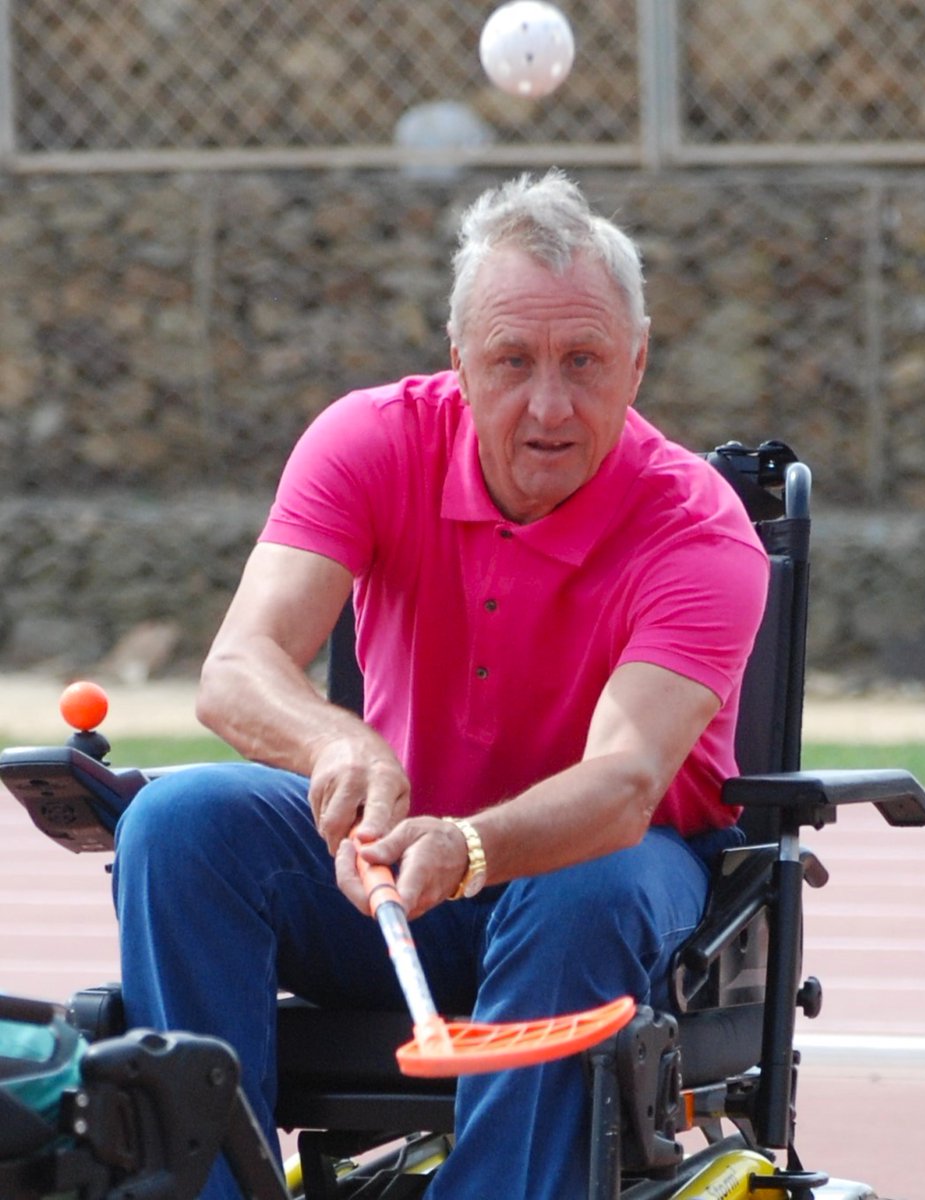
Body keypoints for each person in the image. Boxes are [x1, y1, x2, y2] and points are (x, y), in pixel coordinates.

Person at [112, 170, 770, 1200]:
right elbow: (236, 670)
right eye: (511, 361)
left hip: (595, 879)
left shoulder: (697, 529)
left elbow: (623, 785)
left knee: (579, 885)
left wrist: (468, 850)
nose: (547, 405)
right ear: (458, 359)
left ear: (635, 364)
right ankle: (213, 1184)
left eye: (584, 361)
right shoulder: (369, 439)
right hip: (390, 883)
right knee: (179, 820)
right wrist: (338, 747)